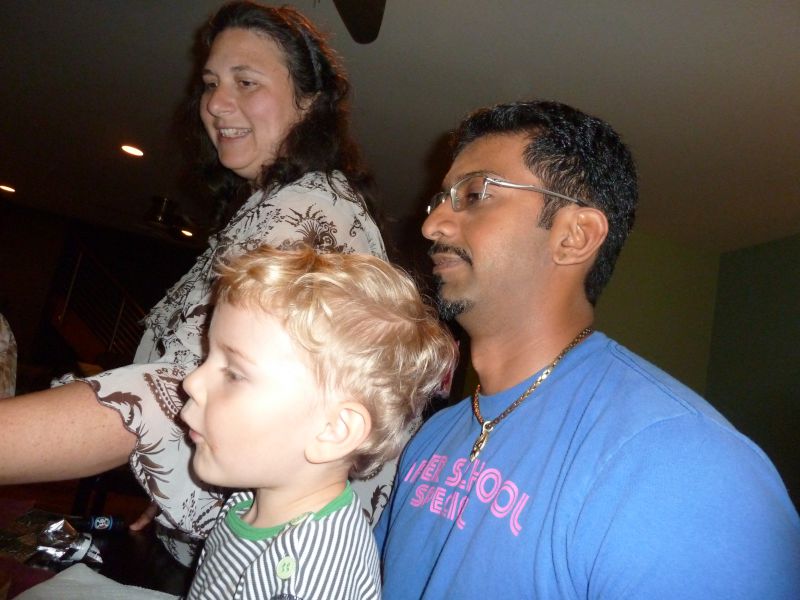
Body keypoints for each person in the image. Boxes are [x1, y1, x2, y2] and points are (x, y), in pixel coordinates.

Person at [0, 1, 390, 566]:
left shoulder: (305, 214)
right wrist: (182, 478)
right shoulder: (275, 206)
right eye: (210, 83)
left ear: (310, 102)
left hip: (279, 563)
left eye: (245, 81)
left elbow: (174, 391)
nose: (216, 103)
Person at [375, 100, 800, 598]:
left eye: (474, 194)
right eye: (440, 201)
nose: (432, 226)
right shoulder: (433, 435)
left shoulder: (689, 466)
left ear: (575, 236)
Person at [181, 244, 455, 599]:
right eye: (206, 357)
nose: (191, 382)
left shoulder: (309, 571)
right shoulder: (250, 505)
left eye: (234, 373)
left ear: (333, 430)